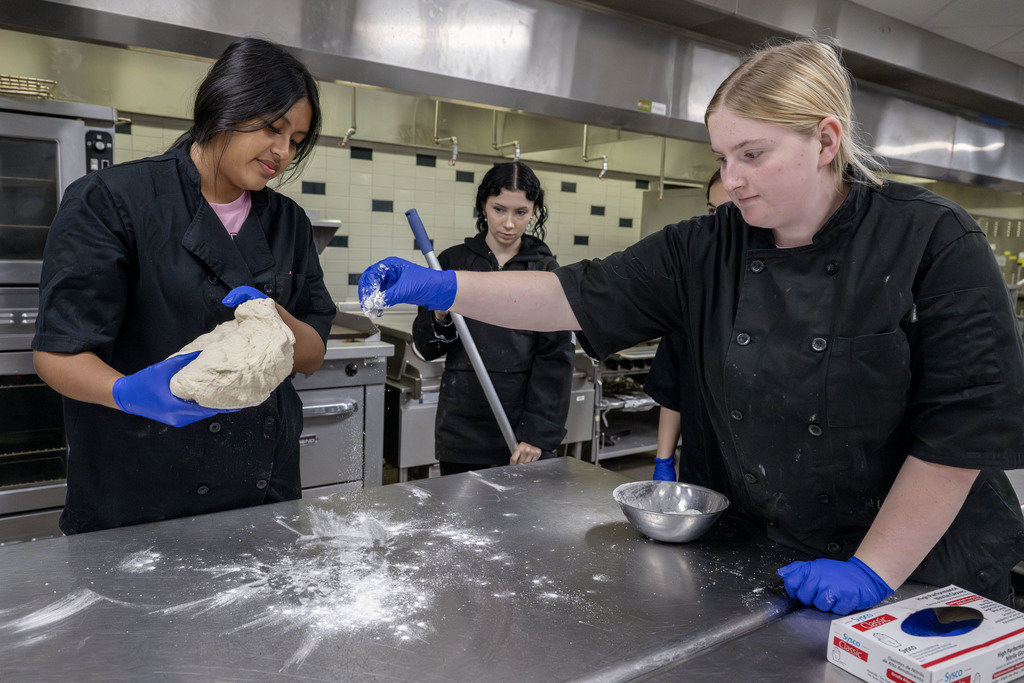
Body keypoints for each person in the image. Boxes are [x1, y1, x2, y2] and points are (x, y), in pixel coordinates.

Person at [359, 38, 1024, 615]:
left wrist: (873, 567)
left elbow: (960, 433)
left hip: (926, 577)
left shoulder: (932, 239)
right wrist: (446, 286)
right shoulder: (707, 247)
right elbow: (573, 294)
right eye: (722, 156)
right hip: (768, 560)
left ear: (826, 140)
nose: (729, 179)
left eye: (752, 154)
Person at [32, 37, 337, 534]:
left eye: (296, 141)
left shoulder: (290, 223)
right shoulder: (112, 202)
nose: (282, 152)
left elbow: (311, 352)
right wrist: (128, 392)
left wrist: (273, 318)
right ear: (223, 107)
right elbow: (58, 353)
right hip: (140, 491)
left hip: (264, 493)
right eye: (271, 128)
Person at [411, 161, 574, 475]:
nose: (509, 224)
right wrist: (440, 313)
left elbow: (555, 356)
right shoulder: (452, 263)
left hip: (521, 431)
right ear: (482, 206)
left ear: (534, 211)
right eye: (499, 209)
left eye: (521, 212)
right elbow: (427, 346)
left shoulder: (544, 271)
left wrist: (537, 434)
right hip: (461, 425)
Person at [645, 170, 730, 485]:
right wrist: (663, 461)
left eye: (731, 211)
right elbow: (673, 389)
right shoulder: (692, 294)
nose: (718, 225)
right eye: (712, 211)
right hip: (701, 471)